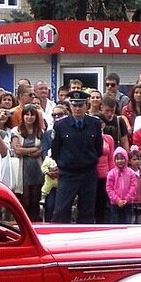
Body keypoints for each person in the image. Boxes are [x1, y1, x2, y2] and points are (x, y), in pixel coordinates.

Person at [50, 89, 104, 224]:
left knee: (87, 212)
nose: (77, 109)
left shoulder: (95, 124)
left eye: (80, 105)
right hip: (68, 173)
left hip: (88, 173)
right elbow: (56, 151)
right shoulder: (60, 125)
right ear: (70, 106)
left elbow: (98, 149)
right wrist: (65, 163)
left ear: (86, 105)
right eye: (74, 105)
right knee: (61, 211)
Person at [105, 146, 137, 224]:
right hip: (115, 204)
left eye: (122, 158)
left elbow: (133, 187)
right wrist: (117, 200)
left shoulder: (131, 173)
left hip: (128, 203)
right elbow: (109, 188)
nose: (120, 161)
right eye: (117, 159)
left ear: (126, 159)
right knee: (115, 223)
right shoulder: (111, 173)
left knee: (127, 223)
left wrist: (127, 199)